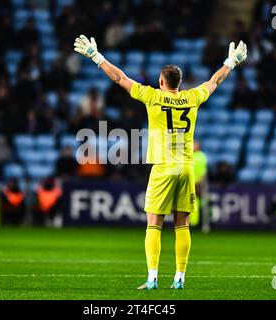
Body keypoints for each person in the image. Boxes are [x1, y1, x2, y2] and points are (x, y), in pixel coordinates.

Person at [74, 34, 247, 290]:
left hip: (163, 167)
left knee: (154, 224)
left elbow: (119, 78)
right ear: (179, 83)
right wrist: (231, 62)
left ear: (161, 81)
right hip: (186, 166)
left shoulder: (152, 96)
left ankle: (152, 278)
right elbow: (215, 81)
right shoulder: (192, 97)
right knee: (182, 224)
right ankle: (179, 279)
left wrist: (95, 56)